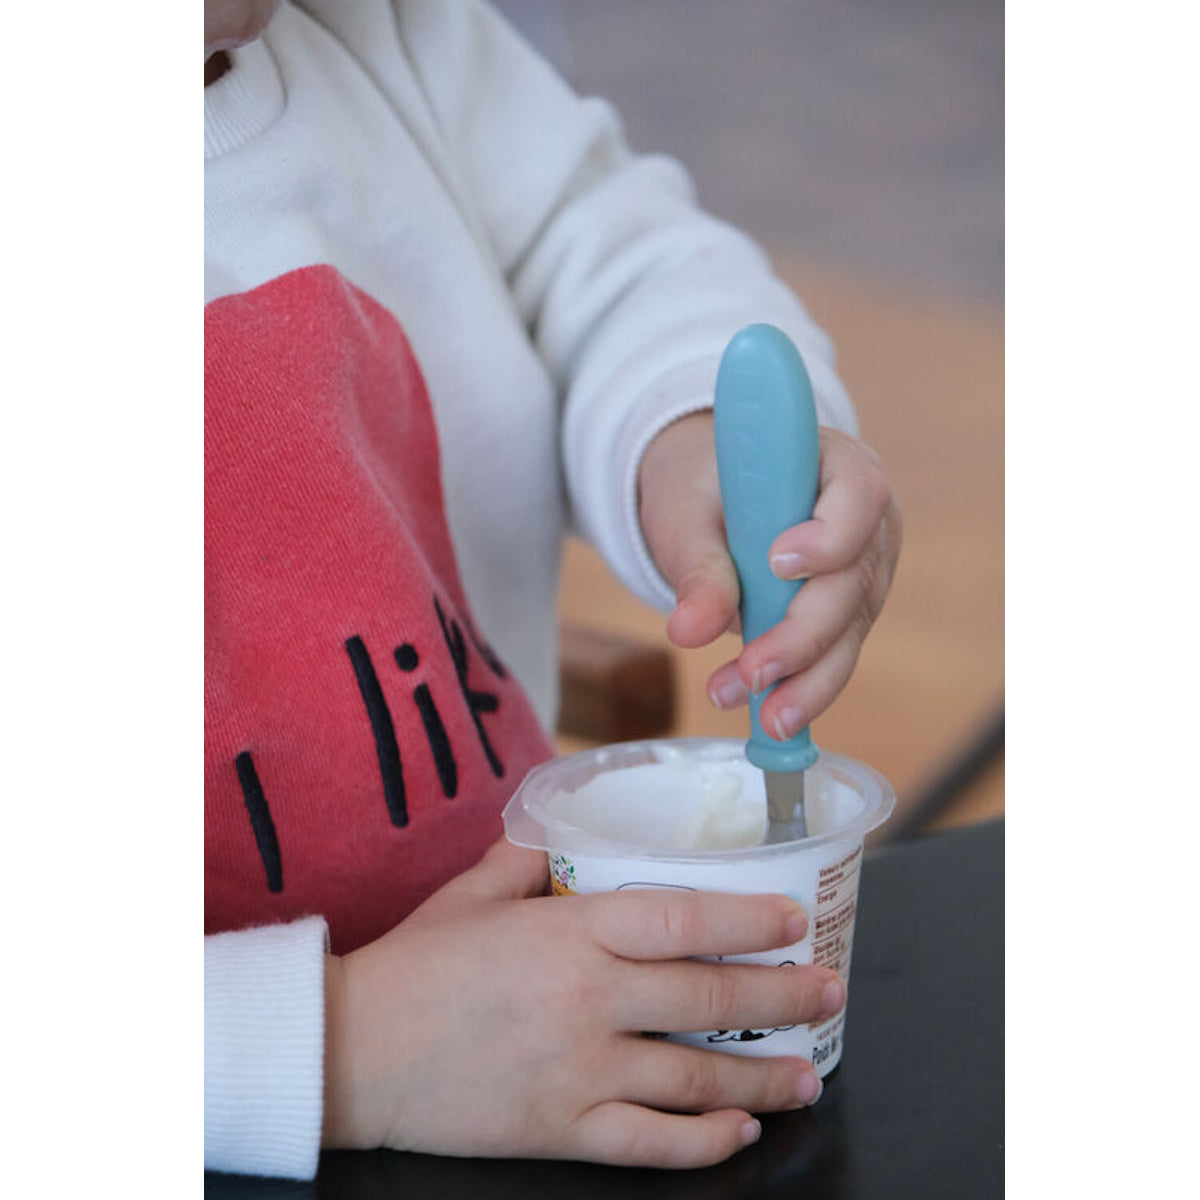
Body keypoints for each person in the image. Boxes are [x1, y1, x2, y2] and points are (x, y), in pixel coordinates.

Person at [204, 0, 903, 1180]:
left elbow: (611, 260)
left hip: (555, 1029)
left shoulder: (385, 34)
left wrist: (685, 430)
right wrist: (347, 1046)